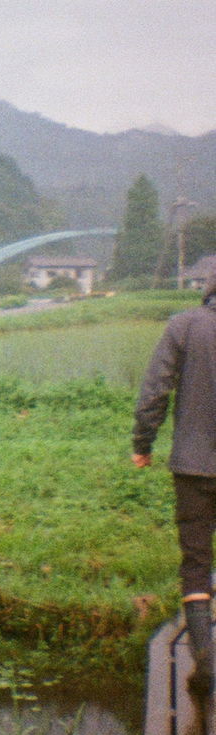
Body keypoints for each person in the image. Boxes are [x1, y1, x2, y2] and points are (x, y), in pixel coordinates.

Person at [133, 273, 216, 696]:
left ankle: (205, 655)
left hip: (194, 466)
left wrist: (142, 443)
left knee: (197, 562)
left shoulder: (184, 325)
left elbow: (154, 391)